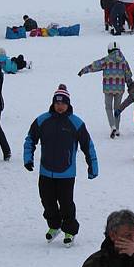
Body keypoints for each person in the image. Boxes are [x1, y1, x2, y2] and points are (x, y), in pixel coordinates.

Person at [24, 85, 98, 246]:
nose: (60, 106)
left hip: (66, 173)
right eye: (57, 103)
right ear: (53, 103)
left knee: (66, 204)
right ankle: (54, 225)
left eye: (63, 103)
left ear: (68, 104)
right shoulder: (43, 120)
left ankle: (70, 230)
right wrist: (27, 158)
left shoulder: (75, 123)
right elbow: (30, 139)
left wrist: (92, 165)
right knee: (47, 201)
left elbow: (88, 145)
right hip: (46, 171)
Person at [78, 42, 133, 138]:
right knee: (117, 108)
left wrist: (83, 70)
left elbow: (94, 66)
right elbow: (128, 75)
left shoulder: (106, 60)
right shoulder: (124, 61)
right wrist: (130, 85)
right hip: (120, 89)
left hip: (108, 88)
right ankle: (117, 129)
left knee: (108, 108)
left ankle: (112, 126)